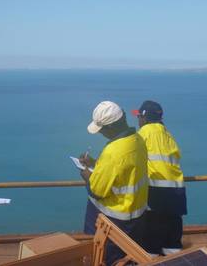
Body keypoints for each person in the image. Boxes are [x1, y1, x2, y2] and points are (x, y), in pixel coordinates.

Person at [80, 101, 149, 265]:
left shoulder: (113, 152)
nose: (101, 133)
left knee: (107, 259)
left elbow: (97, 190)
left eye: (102, 129)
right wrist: (96, 163)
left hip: (112, 221)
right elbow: (121, 171)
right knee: (128, 257)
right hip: (136, 216)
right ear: (123, 116)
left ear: (109, 128)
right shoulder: (137, 140)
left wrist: (86, 174)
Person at [132, 100, 187, 256]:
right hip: (177, 191)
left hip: (155, 190)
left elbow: (131, 159)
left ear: (144, 118)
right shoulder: (167, 135)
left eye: (138, 117)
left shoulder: (143, 134)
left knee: (151, 240)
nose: (138, 120)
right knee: (172, 239)